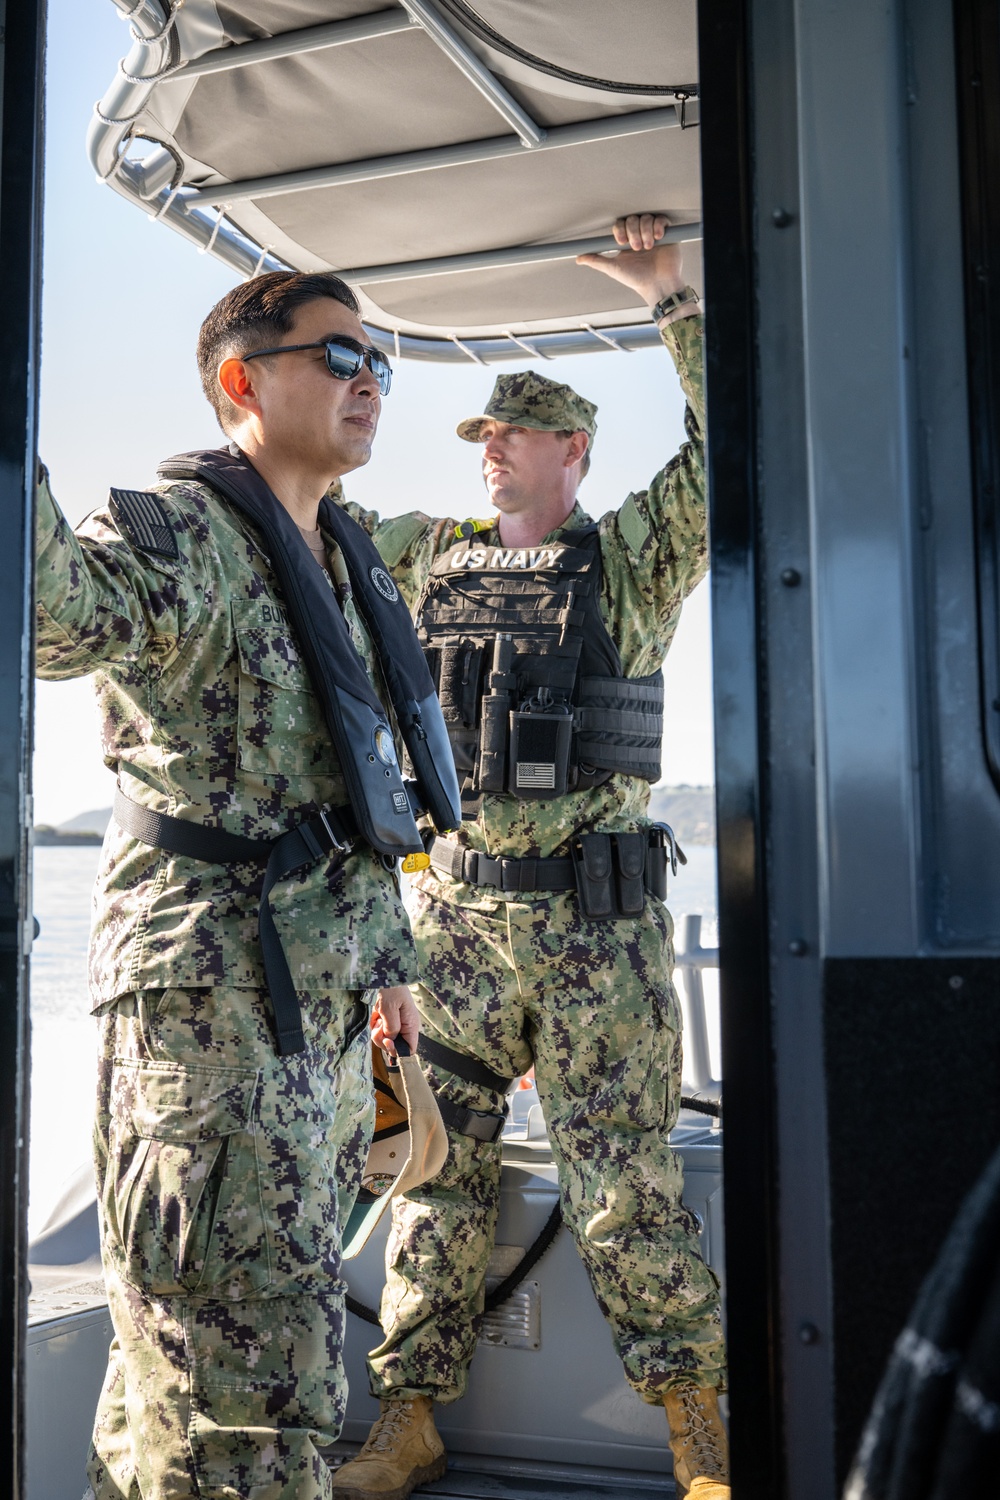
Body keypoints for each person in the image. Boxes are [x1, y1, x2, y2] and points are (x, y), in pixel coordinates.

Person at [34, 270, 458, 1500]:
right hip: (208, 1025)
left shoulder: (337, 560)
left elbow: (350, 800)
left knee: (223, 1369)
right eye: (339, 357)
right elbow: (58, 614)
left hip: (319, 1020)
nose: (369, 379)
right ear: (242, 380)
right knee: (245, 1400)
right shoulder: (189, 540)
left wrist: (389, 981)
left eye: (381, 360)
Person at [331, 214, 729, 1500]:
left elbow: (736, 453)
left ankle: (696, 1423)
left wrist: (671, 301)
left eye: (515, 433)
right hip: (445, 931)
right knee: (428, 1171)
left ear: (574, 449)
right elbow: (304, 513)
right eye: (481, 437)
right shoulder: (419, 557)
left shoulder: (628, 557)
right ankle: (406, 1417)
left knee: (622, 1186)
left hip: (592, 936)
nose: (491, 450)